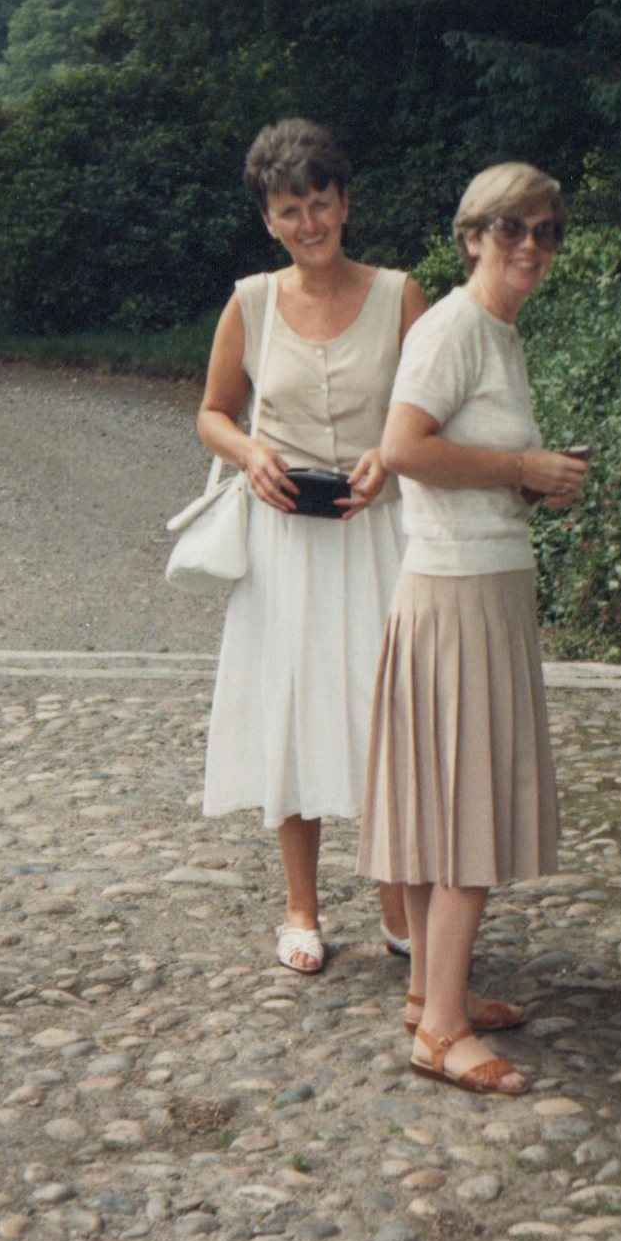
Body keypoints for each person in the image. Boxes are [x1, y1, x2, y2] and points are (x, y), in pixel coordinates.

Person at [357, 163, 590, 1094]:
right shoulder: (453, 327)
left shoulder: (496, 332)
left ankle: (430, 993)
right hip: (457, 594)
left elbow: (469, 460)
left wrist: (528, 480)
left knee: (440, 808)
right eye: (510, 230)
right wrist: (519, 463)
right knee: (466, 818)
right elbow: (404, 447)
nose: (530, 245)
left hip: (479, 581)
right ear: (471, 237)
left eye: (544, 231)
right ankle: (442, 1033)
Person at [198, 119, 428, 974]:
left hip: (380, 532)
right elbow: (213, 411)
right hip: (286, 537)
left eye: (320, 204)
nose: (308, 224)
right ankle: (301, 906)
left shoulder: (401, 293)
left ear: (345, 203)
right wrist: (249, 451)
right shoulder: (251, 302)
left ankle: (399, 905)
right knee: (294, 710)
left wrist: (392, 454)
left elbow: (436, 407)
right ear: (268, 219)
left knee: (389, 713)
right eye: (289, 209)